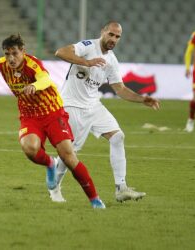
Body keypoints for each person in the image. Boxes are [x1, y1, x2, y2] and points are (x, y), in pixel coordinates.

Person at [52, 21, 160, 203]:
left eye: (117, 37)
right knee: (68, 152)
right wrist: (87, 62)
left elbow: (120, 88)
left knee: (118, 136)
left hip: (93, 106)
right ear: (103, 32)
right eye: (111, 34)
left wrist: (142, 99)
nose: (113, 39)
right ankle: (54, 188)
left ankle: (121, 188)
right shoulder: (87, 46)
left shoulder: (112, 60)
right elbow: (61, 52)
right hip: (72, 105)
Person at [0, 34, 105, 209]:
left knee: (68, 156)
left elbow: (45, 79)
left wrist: (34, 86)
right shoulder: (1, 65)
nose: (11, 58)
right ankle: (50, 164)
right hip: (30, 115)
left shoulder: (33, 64)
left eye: (14, 53)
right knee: (29, 149)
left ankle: (95, 199)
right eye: (7, 53)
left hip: (52, 113)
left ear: (22, 51)